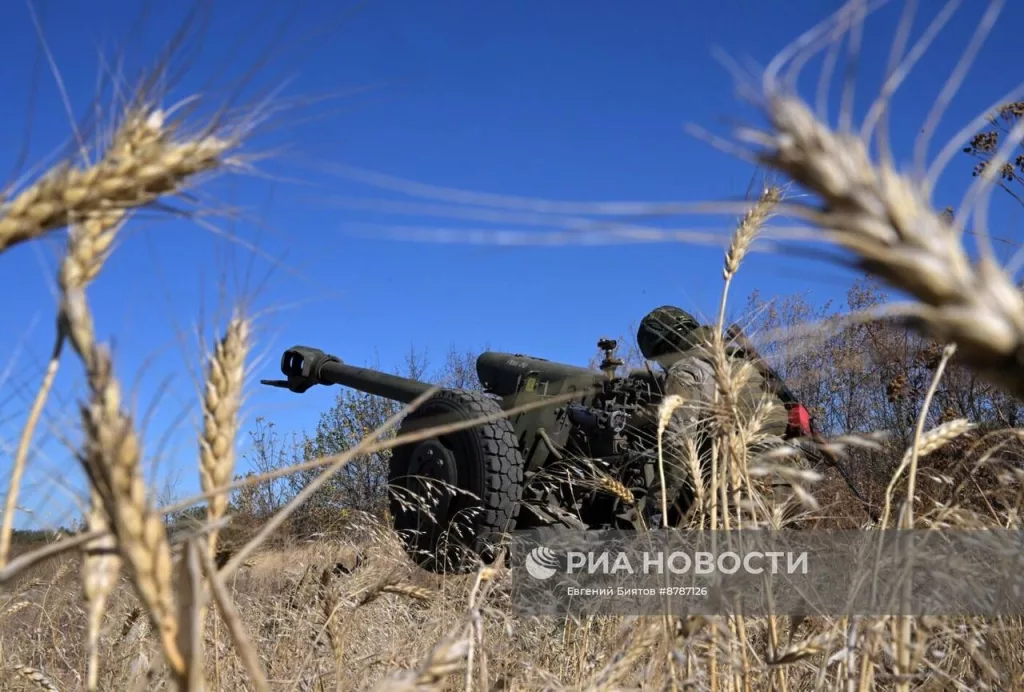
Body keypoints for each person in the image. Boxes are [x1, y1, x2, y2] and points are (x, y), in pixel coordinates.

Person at [635, 305, 811, 524]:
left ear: (664, 348)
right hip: (794, 479)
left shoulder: (686, 370)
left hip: (745, 484)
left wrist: (654, 508)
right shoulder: (743, 359)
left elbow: (677, 448)